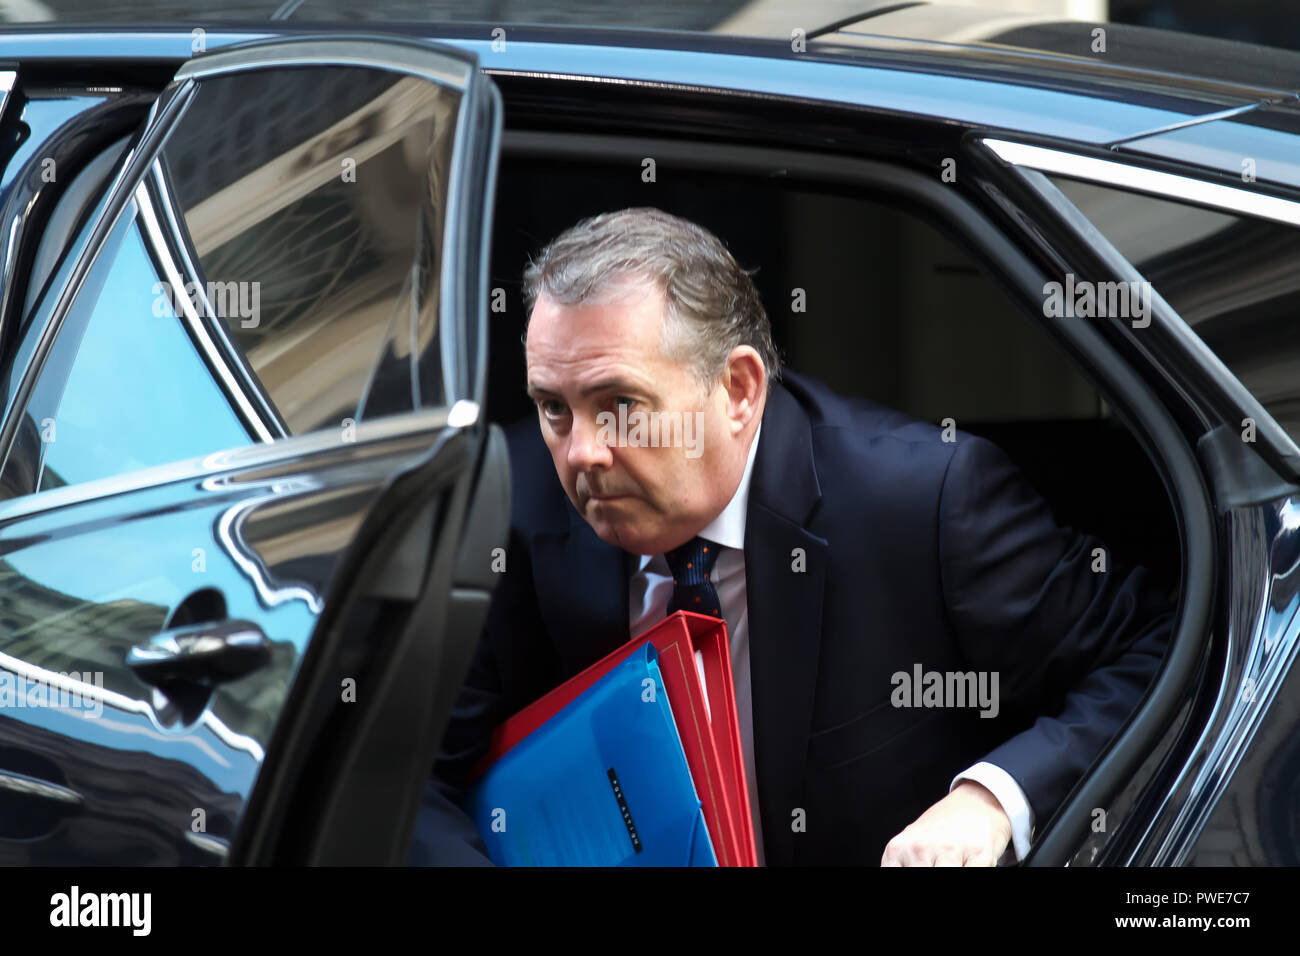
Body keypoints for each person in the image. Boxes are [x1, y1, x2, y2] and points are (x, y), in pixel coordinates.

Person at [409, 206, 1174, 866]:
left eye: (620, 405)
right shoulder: (514, 501)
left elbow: (1157, 654)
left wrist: (989, 799)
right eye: (553, 408)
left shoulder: (922, 502)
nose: (581, 452)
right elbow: (410, 776)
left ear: (738, 390)